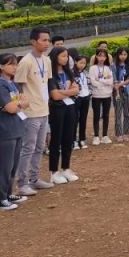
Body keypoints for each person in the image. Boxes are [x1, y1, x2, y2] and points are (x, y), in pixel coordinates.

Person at [14, 27, 55, 195]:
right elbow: (17, 86)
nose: (47, 43)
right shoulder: (26, 62)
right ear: (33, 42)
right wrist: (20, 108)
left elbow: (47, 82)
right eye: (43, 40)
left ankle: (35, 178)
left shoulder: (47, 60)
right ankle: (22, 183)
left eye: (48, 40)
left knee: (39, 147)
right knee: (28, 148)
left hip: (44, 110)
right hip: (30, 113)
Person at [0, 53, 29, 210]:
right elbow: (11, 107)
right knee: (5, 165)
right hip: (5, 130)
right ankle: (0, 199)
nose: (15, 67)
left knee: (13, 165)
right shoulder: (0, 86)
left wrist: (18, 104)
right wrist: (20, 103)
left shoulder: (13, 84)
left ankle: (8, 192)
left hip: (17, 127)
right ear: (1, 66)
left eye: (15, 64)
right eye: (11, 64)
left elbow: (26, 102)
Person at [47, 46, 80, 184]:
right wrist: (68, 92)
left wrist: (63, 92)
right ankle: (54, 172)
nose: (65, 59)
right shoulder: (50, 75)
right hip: (57, 109)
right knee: (56, 139)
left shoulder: (68, 73)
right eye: (62, 56)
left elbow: (76, 89)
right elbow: (54, 95)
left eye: (67, 56)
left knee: (68, 138)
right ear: (55, 57)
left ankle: (66, 168)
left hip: (70, 108)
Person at [89, 48, 114, 145]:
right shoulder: (92, 68)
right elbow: (93, 82)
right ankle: (96, 136)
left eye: (104, 56)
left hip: (107, 95)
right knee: (96, 115)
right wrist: (104, 81)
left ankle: (105, 135)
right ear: (96, 56)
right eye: (100, 55)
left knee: (106, 115)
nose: (102, 58)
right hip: (96, 95)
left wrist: (101, 81)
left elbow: (110, 81)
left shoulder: (107, 68)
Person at [112, 48, 129, 142]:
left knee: (127, 113)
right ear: (118, 55)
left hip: (128, 91)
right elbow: (113, 78)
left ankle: (126, 133)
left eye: (125, 54)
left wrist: (120, 84)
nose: (123, 56)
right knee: (118, 113)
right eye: (121, 54)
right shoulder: (113, 66)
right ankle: (118, 134)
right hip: (117, 92)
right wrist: (116, 85)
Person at [73, 55, 91, 149]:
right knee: (75, 120)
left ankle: (82, 139)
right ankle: (74, 140)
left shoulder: (86, 73)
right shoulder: (71, 73)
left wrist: (89, 94)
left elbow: (89, 84)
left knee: (83, 119)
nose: (82, 65)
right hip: (77, 98)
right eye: (80, 63)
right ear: (76, 62)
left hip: (86, 97)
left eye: (84, 63)